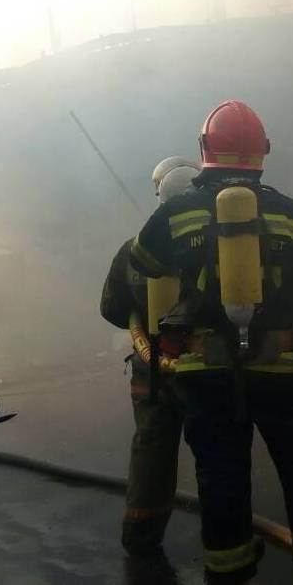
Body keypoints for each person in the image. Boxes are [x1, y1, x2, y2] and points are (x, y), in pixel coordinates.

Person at [129, 101, 293, 585]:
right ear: (263, 151)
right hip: (285, 370)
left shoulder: (177, 212)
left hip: (206, 372)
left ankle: (228, 572)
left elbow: (142, 263)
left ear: (204, 149)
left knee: (221, 476)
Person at [101, 158, 200, 556]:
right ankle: (226, 543)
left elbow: (112, 309)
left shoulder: (134, 250)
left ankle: (141, 538)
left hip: (152, 373)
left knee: (151, 453)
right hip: (206, 369)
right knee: (217, 457)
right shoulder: (217, 247)